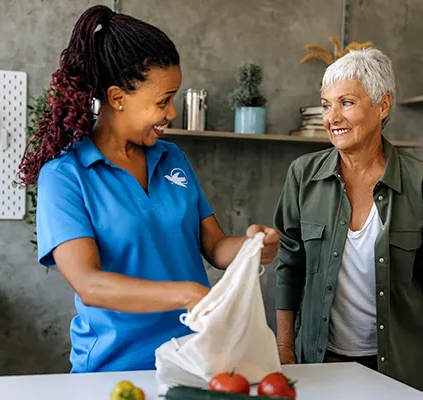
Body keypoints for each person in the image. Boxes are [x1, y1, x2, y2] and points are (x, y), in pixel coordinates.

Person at [16, 5, 279, 374]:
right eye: (163, 100)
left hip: (195, 360)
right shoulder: (65, 176)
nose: (171, 113)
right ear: (117, 97)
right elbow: (89, 283)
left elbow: (216, 247)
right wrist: (188, 295)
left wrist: (251, 245)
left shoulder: (172, 159)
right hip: (113, 371)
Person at [272, 48, 423, 390]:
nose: (332, 117)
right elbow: (289, 265)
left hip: (398, 365)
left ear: (382, 106)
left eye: (346, 103)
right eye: (326, 104)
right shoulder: (302, 176)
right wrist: (284, 348)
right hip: (321, 360)